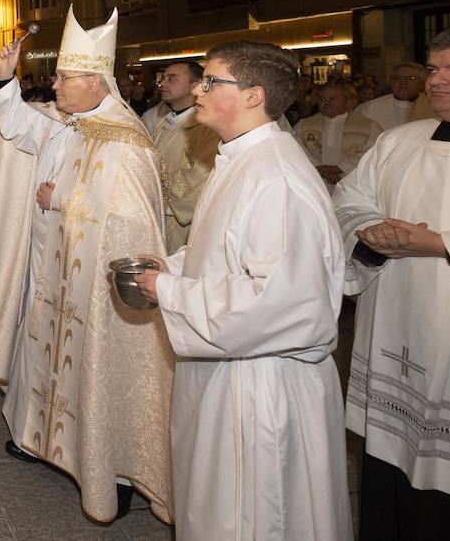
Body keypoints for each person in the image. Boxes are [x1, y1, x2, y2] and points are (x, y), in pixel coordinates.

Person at [0, 8, 173, 524]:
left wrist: (62, 200)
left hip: (96, 295)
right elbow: (21, 126)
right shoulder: (72, 124)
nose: (53, 84)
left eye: (63, 77)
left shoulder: (127, 141)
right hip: (51, 275)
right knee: (42, 354)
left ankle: (113, 474)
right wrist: (7, 76)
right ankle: (39, 440)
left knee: (99, 369)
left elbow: (130, 223)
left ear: (95, 81)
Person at [135, 40, 351, 540]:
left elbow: (276, 303)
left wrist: (168, 290)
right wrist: (168, 265)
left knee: (254, 517)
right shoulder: (240, 158)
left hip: (261, 386)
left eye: (211, 81)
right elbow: (224, 249)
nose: (198, 89)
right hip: (228, 373)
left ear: (254, 95)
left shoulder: (276, 177)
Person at [335, 23, 450, 538]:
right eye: (434, 69)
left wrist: (441, 245)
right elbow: (348, 199)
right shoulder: (397, 142)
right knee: (393, 474)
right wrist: (368, 231)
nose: (437, 81)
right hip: (397, 333)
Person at [144, 61, 219, 254]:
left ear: (195, 85)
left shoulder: (206, 127)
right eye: (163, 78)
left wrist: (153, 195)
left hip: (182, 225)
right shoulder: (163, 123)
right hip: (155, 215)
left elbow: (201, 175)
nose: (163, 83)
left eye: (172, 79)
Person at [293, 81, 383, 193]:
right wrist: (319, 169)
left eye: (332, 99)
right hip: (314, 185)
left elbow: (374, 153)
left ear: (346, 101)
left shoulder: (369, 126)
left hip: (351, 187)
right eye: (322, 99)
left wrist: (340, 168)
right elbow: (294, 150)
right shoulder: (303, 125)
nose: (326, 103)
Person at [355, 61, 435, 131]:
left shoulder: (434, 106)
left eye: (411, 78)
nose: (403, 82)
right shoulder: (369, 108)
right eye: (398, 78)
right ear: (391, 82)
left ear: (422, 83)